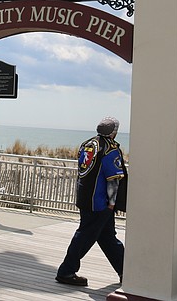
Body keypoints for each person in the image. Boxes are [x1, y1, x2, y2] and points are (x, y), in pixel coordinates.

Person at [55, 116, 127, 287]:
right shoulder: (110, 149)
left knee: (107, 237)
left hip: (85, 198)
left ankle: (126, 271)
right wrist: (112, 202)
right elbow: (113, 179)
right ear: (114, 132)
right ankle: (66, 271)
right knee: (85, 235)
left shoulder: (87, 144)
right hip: (100, 202)